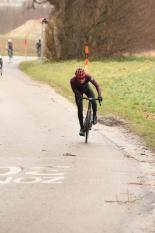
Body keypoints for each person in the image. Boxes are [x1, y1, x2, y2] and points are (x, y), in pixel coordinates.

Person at [70, 68, 103, 136]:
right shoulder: (72, 80)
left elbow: (97, 86)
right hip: (78, 92)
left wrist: (99, 96)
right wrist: (79, 96)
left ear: (84, 76)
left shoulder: (88, 76)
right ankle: (82, 128)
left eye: (82, 78)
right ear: (76, 78)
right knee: (80, 110)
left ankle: (94, 116)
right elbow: (74, 91)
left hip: (87, 89)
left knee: (93, 101)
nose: (81, 80)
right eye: (79, 79)